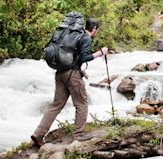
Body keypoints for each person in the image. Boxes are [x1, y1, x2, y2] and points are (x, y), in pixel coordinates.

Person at [31, 17, 108, 147]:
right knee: (82, 103)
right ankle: (78, 135)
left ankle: (38, 134)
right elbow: (84, 58)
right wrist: (100, 53)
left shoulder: (72, 36)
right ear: (95, 29)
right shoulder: (86, 38)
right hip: (72, 75)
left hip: (60, 73)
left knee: (56, 105)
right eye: (97, 30)